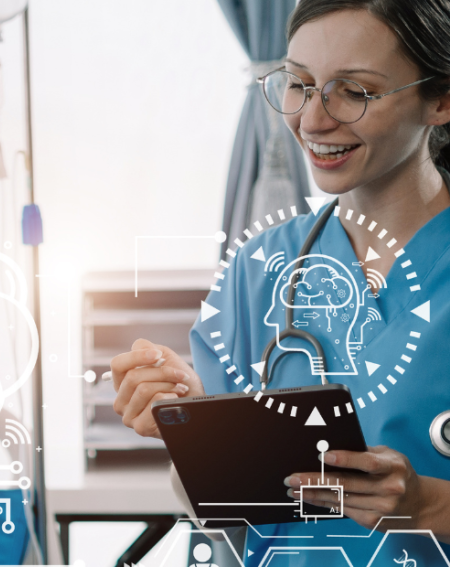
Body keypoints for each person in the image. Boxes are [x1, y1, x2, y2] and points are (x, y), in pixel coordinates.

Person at [111, 1, 450, 565]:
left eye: (355, 91)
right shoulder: (259, 268)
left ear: (440, 98)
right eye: (299, 84)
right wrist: (193, 434)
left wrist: (429, 506)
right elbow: (212, 506)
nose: (312, 120)